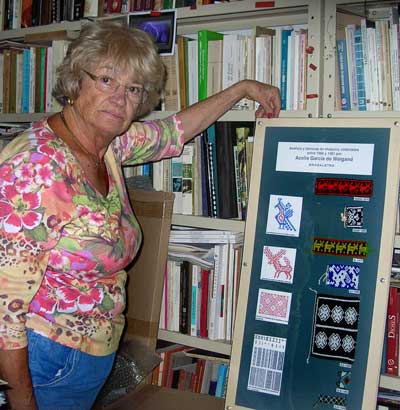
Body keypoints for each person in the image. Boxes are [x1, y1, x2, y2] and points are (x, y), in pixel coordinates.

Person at [0, 21, 280, 410]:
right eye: (107, 80)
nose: (120, 98)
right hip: (45, 359)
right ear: (75, 81)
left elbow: (174, 132)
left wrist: (242, 90)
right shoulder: (34, 168)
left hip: (90, 355)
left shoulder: (108, 145)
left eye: (133, 89)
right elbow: (3, 313)